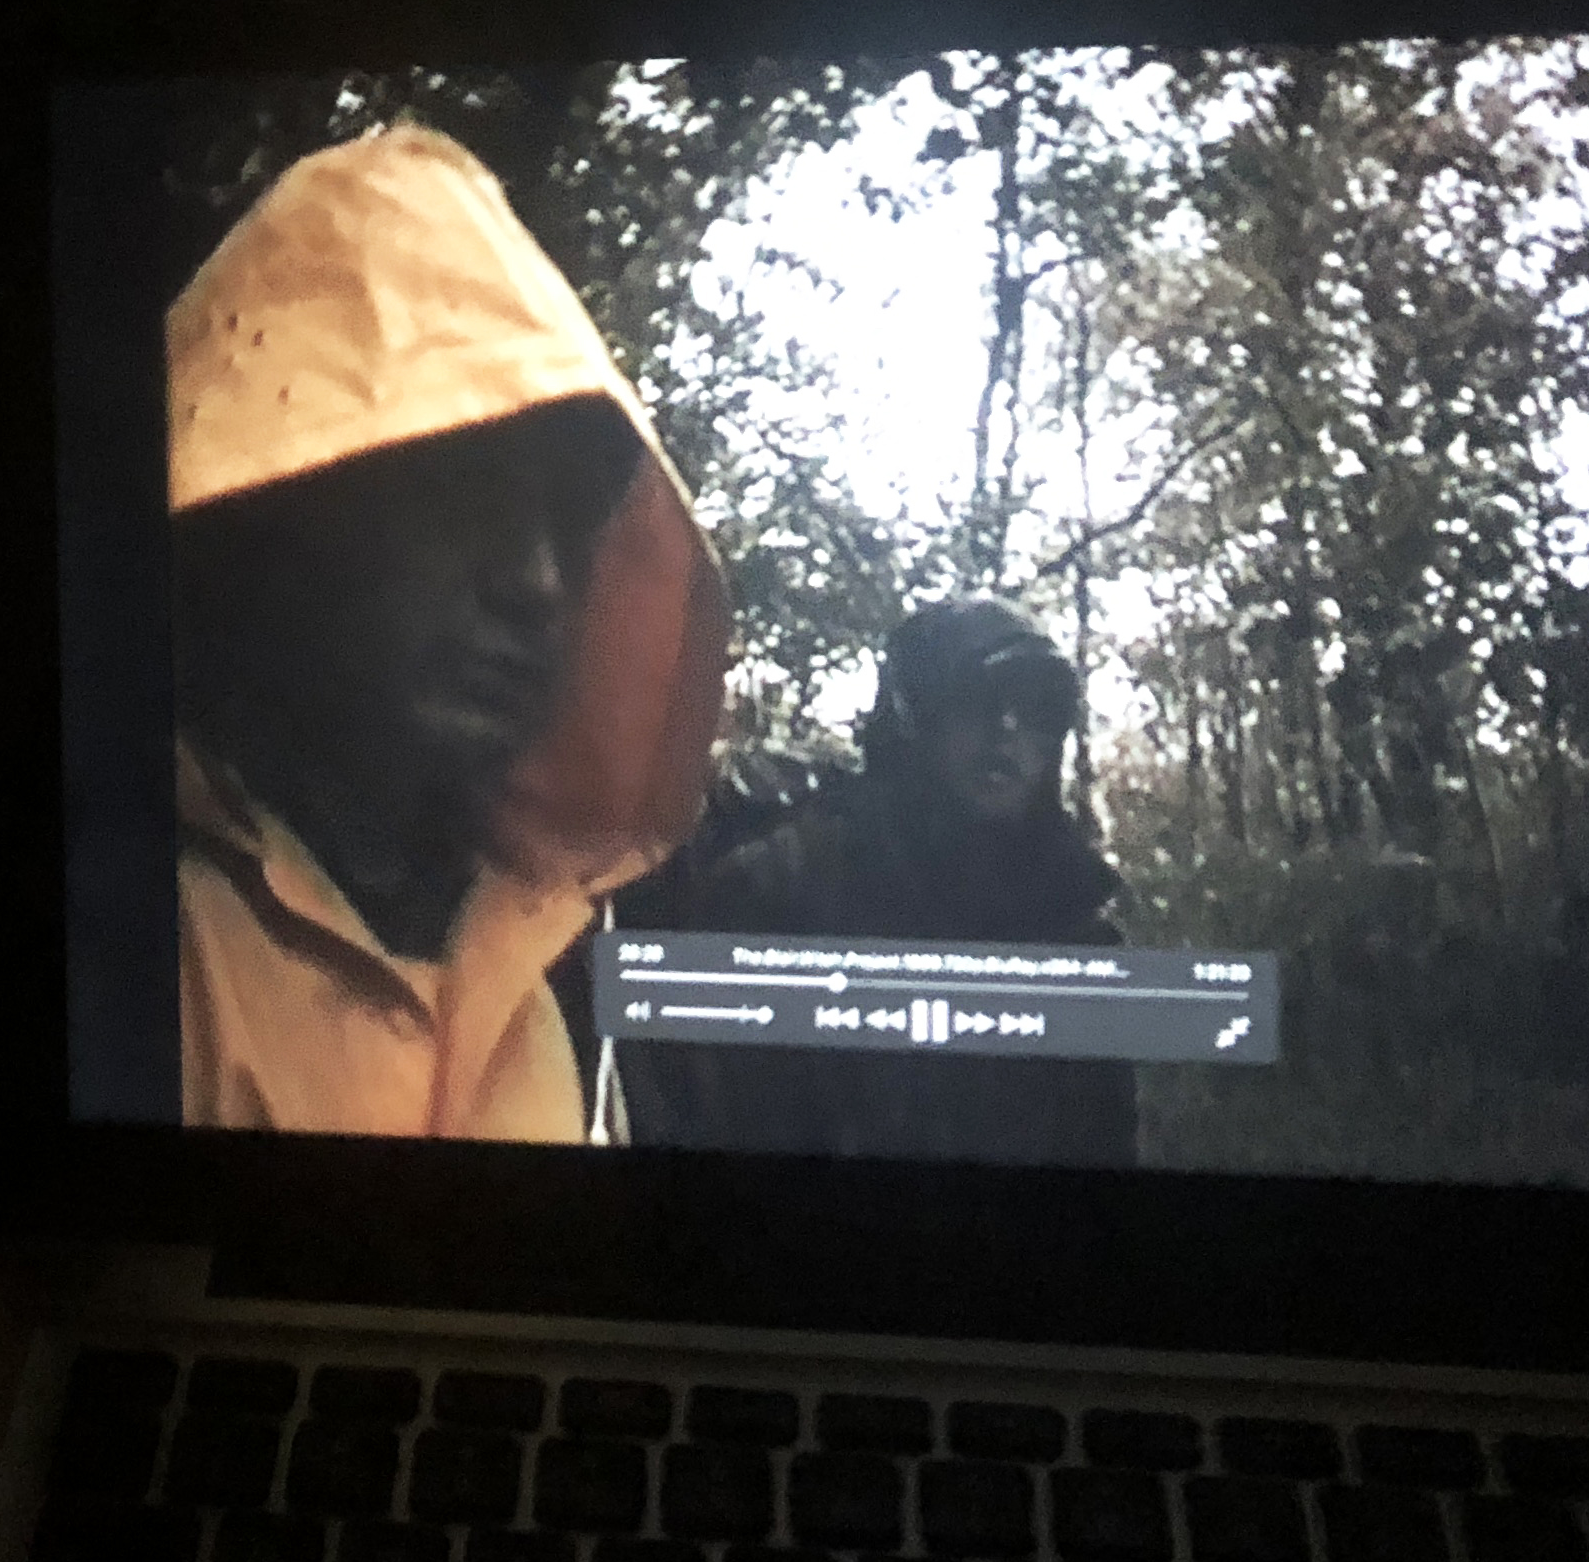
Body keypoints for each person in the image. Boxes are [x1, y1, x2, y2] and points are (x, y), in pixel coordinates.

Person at [168, 127, 728, 1140]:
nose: (540, 583)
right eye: (465, 492)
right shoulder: (138, 946)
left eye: (567, 518)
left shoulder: (532, 973)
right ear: (279, 498)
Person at [616, 595, 1142, 1167]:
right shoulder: (785, 882)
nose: (1009, 728)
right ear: (915, 712)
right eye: (982, 698)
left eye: (1037, 709)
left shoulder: (1073, 932)